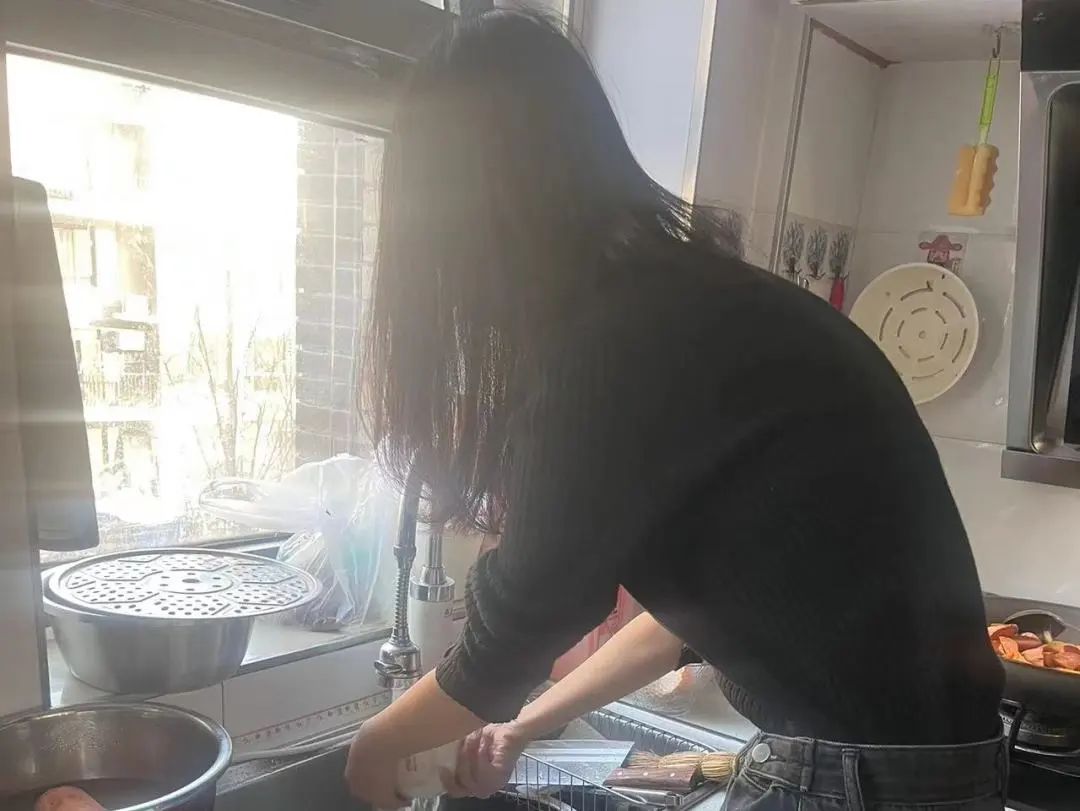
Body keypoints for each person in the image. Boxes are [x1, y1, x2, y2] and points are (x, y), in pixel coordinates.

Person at [346, 9, 1005, 810]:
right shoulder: (687, 305)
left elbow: (520, 621)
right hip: (926, 769)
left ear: (461, 224)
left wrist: (377, 745)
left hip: (858, 779)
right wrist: (521, 727)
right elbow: (680, 619)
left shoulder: (612, 339)